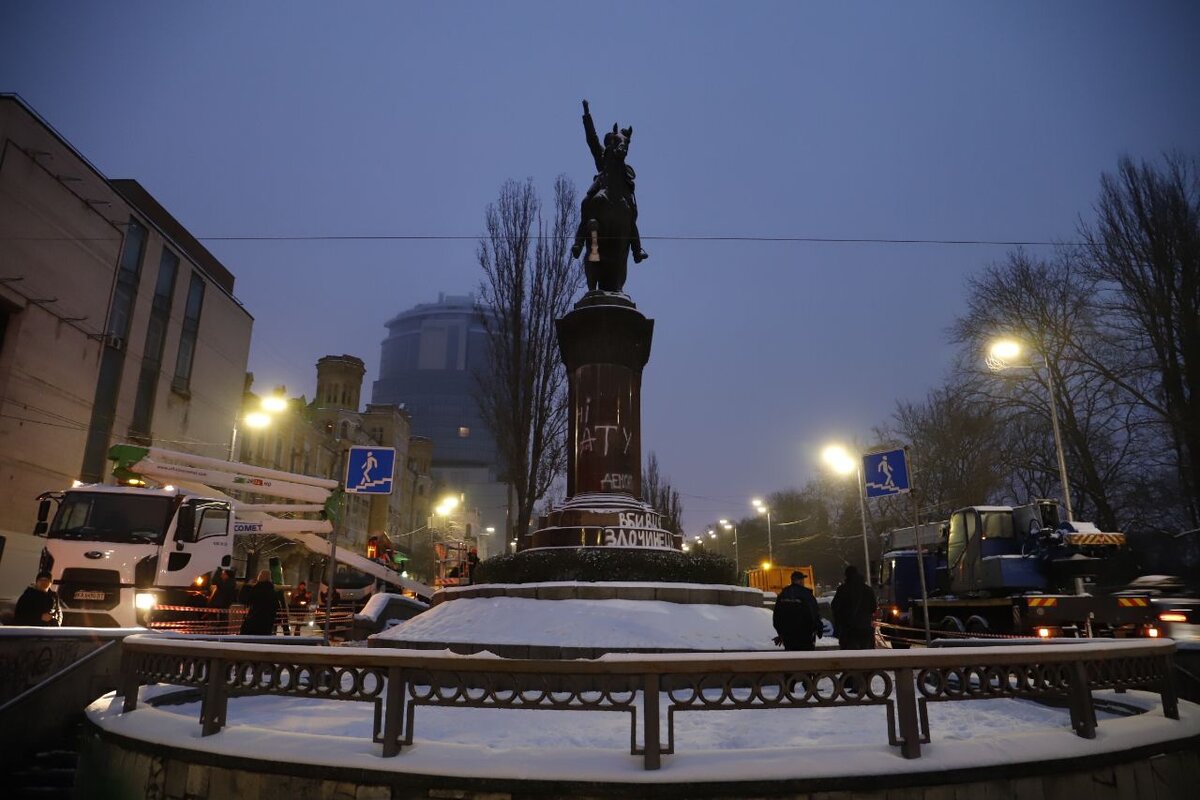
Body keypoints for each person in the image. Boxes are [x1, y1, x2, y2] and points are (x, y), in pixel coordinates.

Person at [571, 99, 649, 265]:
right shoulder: (602, 155)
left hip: (620, 191)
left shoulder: (624, 166)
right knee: (586, 203)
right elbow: (592, 138)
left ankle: (637, 250)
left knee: (631, 213)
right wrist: (586, 115)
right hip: (603, 185)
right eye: (610, 141)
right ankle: (579, 243)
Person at [772, 570, 821, 651]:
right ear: (799, 580)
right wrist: (817, 629)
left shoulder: (783, 594)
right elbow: (814, 613)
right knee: (806, 657)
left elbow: (776, 616)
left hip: (788, 636)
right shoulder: (806, 594)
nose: (803, 581)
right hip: (805, 636)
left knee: (791, 656)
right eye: (802, 579)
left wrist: (781, 633)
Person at [832, 565, 877, 650]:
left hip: (848, 630)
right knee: (866, 653)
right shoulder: (868, 590)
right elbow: (873, 607)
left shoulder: (842, 589)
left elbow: (835, 607)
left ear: (846, 575)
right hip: (865, 629)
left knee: (849, 654)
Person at [239, 569, 282, 636]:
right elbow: (276, 607)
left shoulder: (255, 590)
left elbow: (243, 600)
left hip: (253, 621)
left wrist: (247, 586)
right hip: (266, 624)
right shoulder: (272, 592)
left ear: (259, 577)